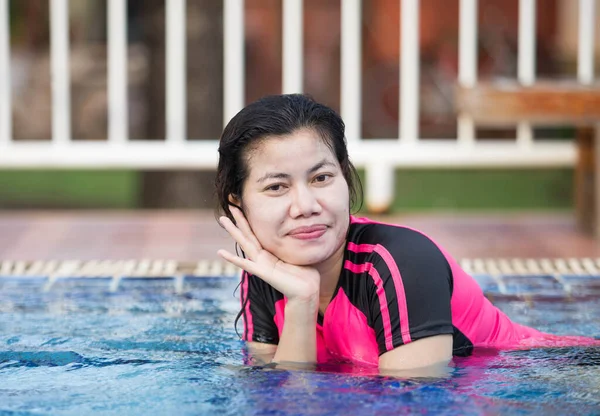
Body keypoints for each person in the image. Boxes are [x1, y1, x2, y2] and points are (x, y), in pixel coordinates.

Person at [215, 94, 599, 373]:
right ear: (239, 203)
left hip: (555, 372)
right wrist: (301, 303)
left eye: (321, 178)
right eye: (276, 187)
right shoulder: (267, 270)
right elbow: (278, 402)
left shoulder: (398, 262)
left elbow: (413, 403)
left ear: (346, 180)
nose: (305, 205)